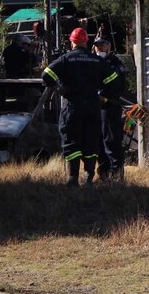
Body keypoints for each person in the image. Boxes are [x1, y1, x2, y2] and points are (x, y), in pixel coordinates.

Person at [42, 27, 120, 187]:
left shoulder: (65, 59)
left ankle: (72, 178)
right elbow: (114, 81)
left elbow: (46, 75)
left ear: (72, 42)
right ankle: (89, 177)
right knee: (90, 141)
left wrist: (59, 88)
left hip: (72, 107)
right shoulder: (98, 61)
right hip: (93, 107)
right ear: (86, 42)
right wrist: (103, 95)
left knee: (71, 140)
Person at [93, 36, 127, 181]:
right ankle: (103, 174)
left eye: (103, 45)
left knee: (111, 142)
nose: (100, 48)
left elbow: (118, 84)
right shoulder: (92, 62)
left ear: (109, 46)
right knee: (98, 143)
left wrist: (104, 95)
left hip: (110, 107)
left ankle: (117, 175)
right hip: (95, 109)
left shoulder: (115, 63)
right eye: (97, 45)